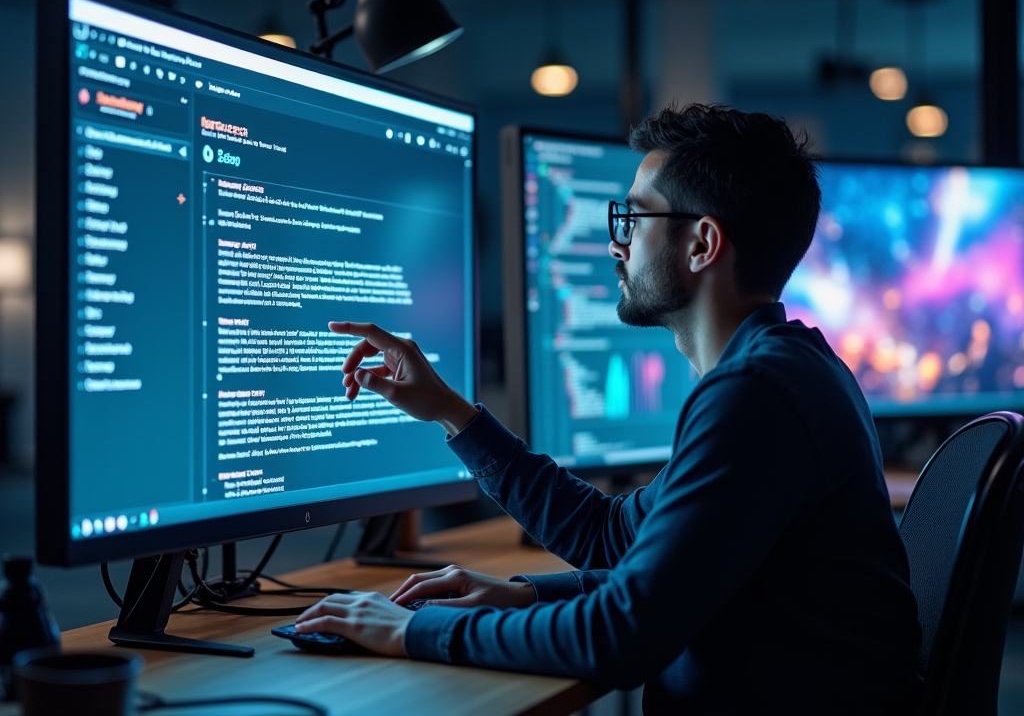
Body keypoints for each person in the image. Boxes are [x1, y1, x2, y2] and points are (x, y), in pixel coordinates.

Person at [295, 104, 923, 715]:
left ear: (702, 242)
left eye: (634, 218)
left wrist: (409, 633)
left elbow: (620, 638)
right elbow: (615, 539)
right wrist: (455, 418)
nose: (616, 245)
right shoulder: (787, 369)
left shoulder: (757, 393)